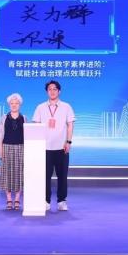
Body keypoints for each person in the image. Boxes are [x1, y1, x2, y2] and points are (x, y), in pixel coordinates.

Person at [32, 80, 75, 212]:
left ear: (59, 91)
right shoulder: (40, 107)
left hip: (62, 147)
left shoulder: (66, 107)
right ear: (47, 92)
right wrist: (37, 145)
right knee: (45, 176)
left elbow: (70, 125)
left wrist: (68, 142)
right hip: (45, 148)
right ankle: (45, 201)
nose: (52, 91)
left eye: (54, 89)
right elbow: (36, 126)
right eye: (49, 89)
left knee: (62, 176)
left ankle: (62, 201)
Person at [0, 93, 25, 211]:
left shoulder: (24, 118)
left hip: (21, 148)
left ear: (20, 104)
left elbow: (27, 135)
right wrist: (0, 150)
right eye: (12, 103)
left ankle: (17, 198)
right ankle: (9, 199)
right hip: (6, 147)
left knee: (19, 174)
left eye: (16, 103)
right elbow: (0, 136)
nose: (14, 105)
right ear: (9, 105)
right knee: (7, 174)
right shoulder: (4, 118)